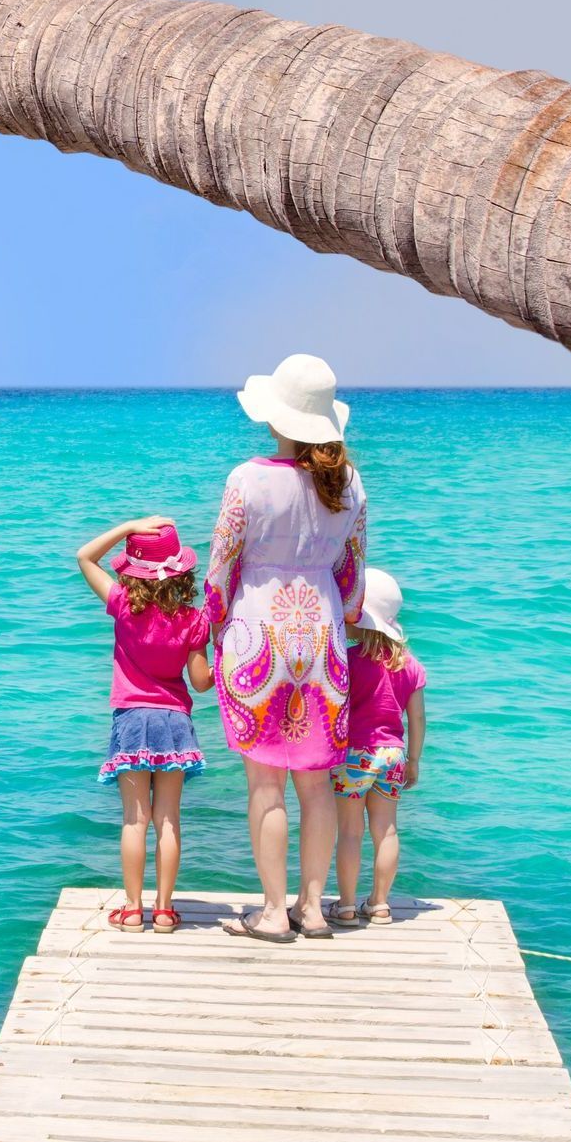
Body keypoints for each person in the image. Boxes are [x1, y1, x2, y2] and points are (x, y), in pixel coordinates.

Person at [200, 354, 365, 945]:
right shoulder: (349, 482)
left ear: (276, 418)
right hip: (321, 643)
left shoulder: (246, 479)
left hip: (257, 638)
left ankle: (272, 912)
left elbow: (219, 573)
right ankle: (314, 908)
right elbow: (353, 580)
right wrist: (339, 620)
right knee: (317, 785)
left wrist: (208, 636)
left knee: (265, 785)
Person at [76, 517, 212, 934]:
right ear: (181, 572)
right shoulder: (193, 620)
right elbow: (201, 683)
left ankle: (133, 910)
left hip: (132, 720)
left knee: (135, 819)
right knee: (168, 819)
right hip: (174, 723)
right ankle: (166, 911)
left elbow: (84, 556)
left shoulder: (121, 604)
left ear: (132, 569)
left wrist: (128, 526)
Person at [331, 567, 427, 927]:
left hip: (354, 755)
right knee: (386, 830)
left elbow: (335, 708)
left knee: (351, 833)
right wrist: (414, 760)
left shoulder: (350, 661)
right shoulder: (411, 666)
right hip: (392, 755)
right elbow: (416, 719)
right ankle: (381, 904)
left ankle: (345, 905)